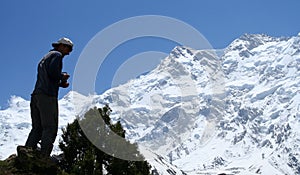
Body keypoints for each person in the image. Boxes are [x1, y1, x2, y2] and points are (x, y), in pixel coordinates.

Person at [25, 37, 73, 157]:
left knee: (37, 128)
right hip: (47, 96)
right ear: (61, 46)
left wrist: (60, 82)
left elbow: (49, 76)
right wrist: (63, 77)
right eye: (68, 48)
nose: (69, 52)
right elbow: (53, 73)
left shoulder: (46, 57)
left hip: (37, 95)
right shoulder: (57, 55)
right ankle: (44, 157)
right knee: (49, 127)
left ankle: (26, 154)